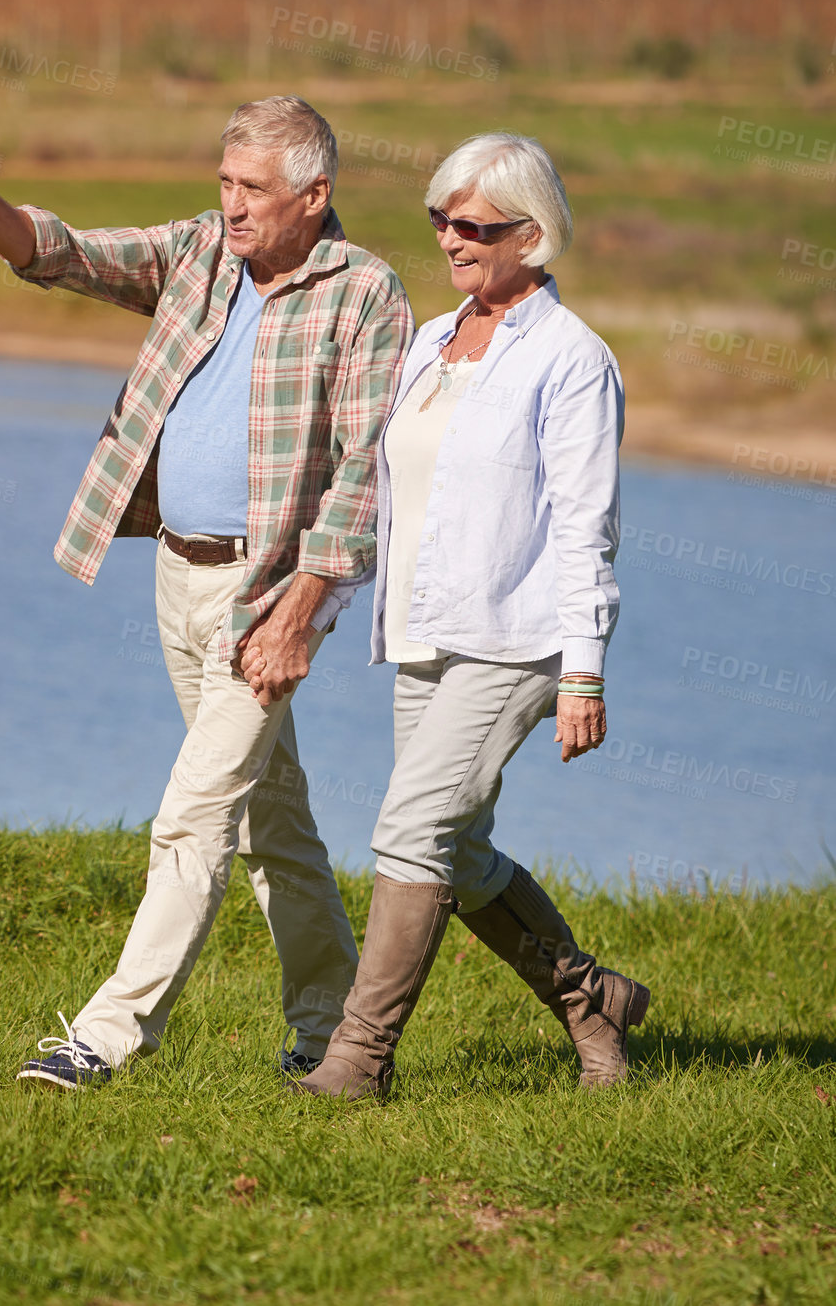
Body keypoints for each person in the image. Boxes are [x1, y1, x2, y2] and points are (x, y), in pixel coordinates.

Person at [0, 96, 413, 1090]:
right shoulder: (200, 252)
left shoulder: (364, 294)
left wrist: (299, 614)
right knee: (275, 823)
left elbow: (365, 473)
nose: (230, 206)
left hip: (266, 592)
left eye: (252, 190)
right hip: (173, 569)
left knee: (193, 814)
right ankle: (337, 1036)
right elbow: (74, 255)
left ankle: (103, 1037)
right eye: (223, 183)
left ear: (313, 196)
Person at [254, 131, 648, 1102]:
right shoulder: (431, 340)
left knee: (409, 827)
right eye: (441, 219)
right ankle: (587, 999)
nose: (452, 239)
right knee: (456, 850)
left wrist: (584, 673)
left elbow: (587, 528)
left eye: (474, 224)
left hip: (517, 639)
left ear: (533, 231)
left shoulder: (572, 360)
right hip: (422, 630)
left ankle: (357, 1059)